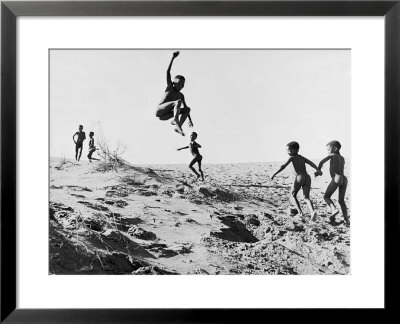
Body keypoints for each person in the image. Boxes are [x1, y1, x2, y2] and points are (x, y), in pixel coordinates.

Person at [271, 141, 322, 221]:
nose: (288, 152)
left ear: (296, 150)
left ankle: (300, 213)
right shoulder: (302, 157)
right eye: (287, 150)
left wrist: (274, 173)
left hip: (299, 177)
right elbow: (311, 163)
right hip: (307, 177)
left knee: (293, 194)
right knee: (306, 197)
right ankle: (312, 212)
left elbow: (283, 166)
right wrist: (317, 169)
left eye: (289, 150)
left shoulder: (292, 158)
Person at [155, 51, 193, 136]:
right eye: (179, 84)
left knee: (188, 109)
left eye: (182, 85)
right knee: (178, 101)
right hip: (160, 110)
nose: (180, 86)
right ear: (173, 83)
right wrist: (172, 58)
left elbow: (186, 108)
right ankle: (176, 120)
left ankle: (178, 126)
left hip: (166, 116)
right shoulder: (170, 87)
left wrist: (189, 120)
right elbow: (168, 72)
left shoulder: (181, 95)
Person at [315, 140, 349, 225]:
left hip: (336, 178)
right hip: (344, 179)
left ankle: (334, 209)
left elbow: (322, 161)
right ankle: (346, 219)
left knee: (326, 196)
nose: (328, 152)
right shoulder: (342, 158)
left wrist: (318, 170)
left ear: (335, 148)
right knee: (341, 200)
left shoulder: (332, 155)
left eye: (328, 149)